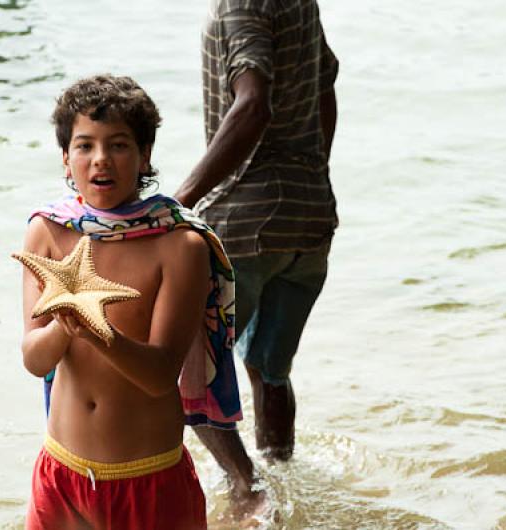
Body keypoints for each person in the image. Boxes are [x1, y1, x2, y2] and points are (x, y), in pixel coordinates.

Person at [19, 74, 245, 530]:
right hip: (62, 475)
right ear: (66, 158)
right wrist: (65, 325)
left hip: (149, 481)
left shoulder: (180, 246)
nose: (101, 160)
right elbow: (32, 357)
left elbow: (160, 375)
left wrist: (96, 329)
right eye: (85, 146)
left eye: (119, 145)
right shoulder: (47, 232)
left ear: (144, 156)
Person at [175, 0, 340, 504]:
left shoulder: (239, 4)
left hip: (246, 224)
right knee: (270, 370)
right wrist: (310, 170)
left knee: (188, 374)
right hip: (309, 217)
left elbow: (253, 103)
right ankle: (284, 480)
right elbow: (326, 84)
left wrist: (181, 200)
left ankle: (247, 487)